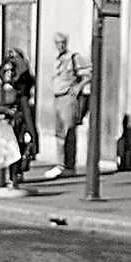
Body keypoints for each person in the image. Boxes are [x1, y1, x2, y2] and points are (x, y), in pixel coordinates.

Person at [46, 31, 91, 177]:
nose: (60, 45)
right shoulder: (57, 59)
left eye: (63, 42)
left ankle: (69, 165)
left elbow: (89, 73)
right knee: (59, 133)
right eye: (58, 43)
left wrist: (78, 87)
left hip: (68, 97)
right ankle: (61, 164)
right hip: (57, 97)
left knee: (69, 131)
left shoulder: (74, 57)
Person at [0, 56, 30, 189]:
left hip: (13, 124)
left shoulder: (17, 89)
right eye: (6, 70)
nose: (9, 73)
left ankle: (13, 178)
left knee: (13, 152)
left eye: (11, 70)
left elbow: (23, 106)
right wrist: (0, 112)